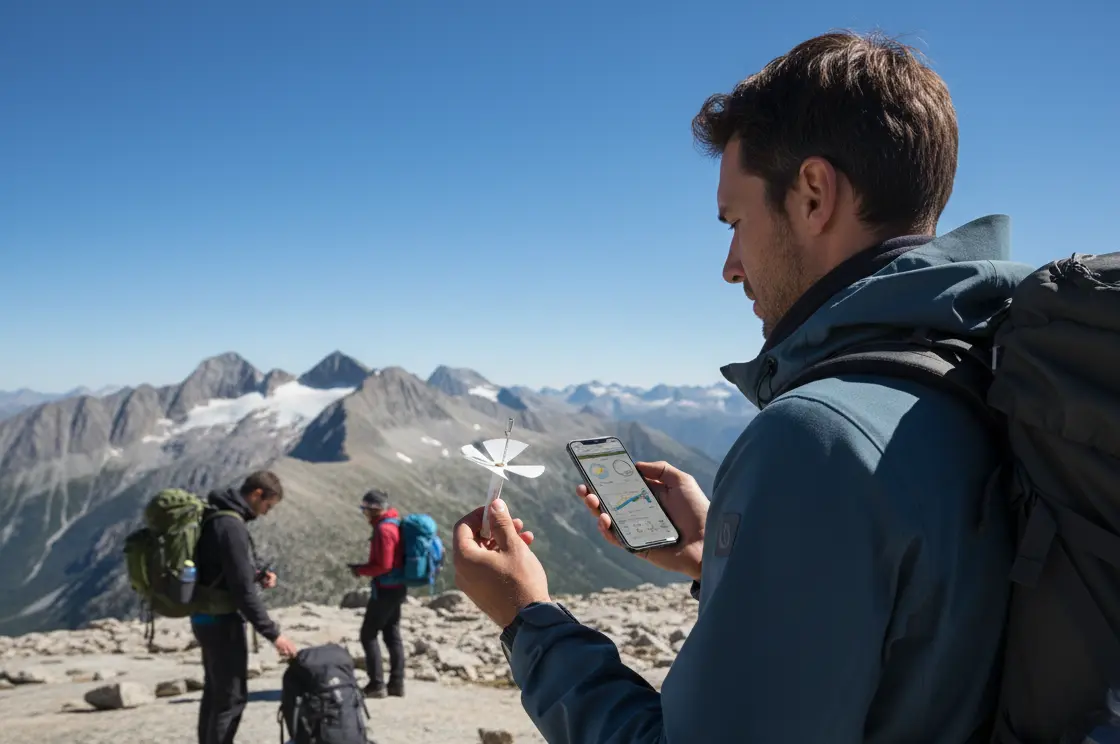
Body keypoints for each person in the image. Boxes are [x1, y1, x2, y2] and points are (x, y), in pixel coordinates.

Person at [452, 31, 1037, 744]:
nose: (730, 266)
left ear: (814, 194)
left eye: (736, 222)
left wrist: (526, 615)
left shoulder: (818, 438)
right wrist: (714, 555)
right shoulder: (985, 373)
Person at [191, 470, 298, 744]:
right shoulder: (231, 526)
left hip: (204, 615)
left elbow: (225, 570)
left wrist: (258, 574)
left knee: (215, 692)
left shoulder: (217, 515)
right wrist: (274, 634)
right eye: (267, 505)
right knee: (232, 698)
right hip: (222, 621)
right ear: (257, 494)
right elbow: (242, 593)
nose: (266, 512)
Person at [350, 488, 407, 698]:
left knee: (368, 634)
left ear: (374, 509)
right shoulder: (392, 524)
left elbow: (384, 565)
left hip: (386, 588)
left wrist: (361, 570)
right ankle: (396, 684)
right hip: (397, 587)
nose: (364, 513)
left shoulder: (384, 530)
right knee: (392, 633)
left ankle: (376, 684)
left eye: (365, 509)